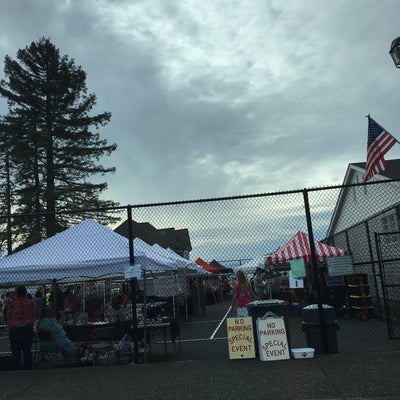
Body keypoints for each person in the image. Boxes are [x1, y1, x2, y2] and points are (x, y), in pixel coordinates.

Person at [7, 285, 36, 370]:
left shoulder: (12, 303)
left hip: (15, 328)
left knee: (16, 351)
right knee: (27, 350)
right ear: (26, 292)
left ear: (17, 293)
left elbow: (8, 314)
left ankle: (17, 369)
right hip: (27, 327)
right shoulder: (31, 302)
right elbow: (34, 313)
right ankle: (28, 368)